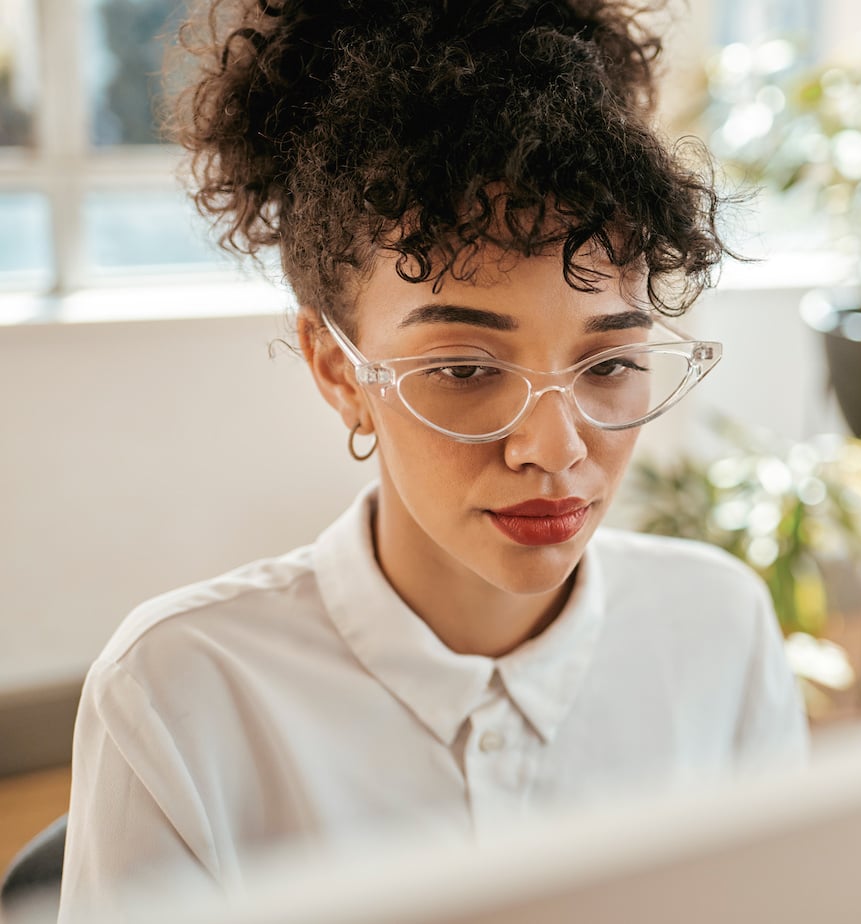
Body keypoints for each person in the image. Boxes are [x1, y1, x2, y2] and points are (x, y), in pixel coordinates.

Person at [58, 0, 808, 918]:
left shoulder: (721, 631)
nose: (555, 449)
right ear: (338, 368)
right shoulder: (179, 694)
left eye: (609, 363)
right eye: (463, 368)